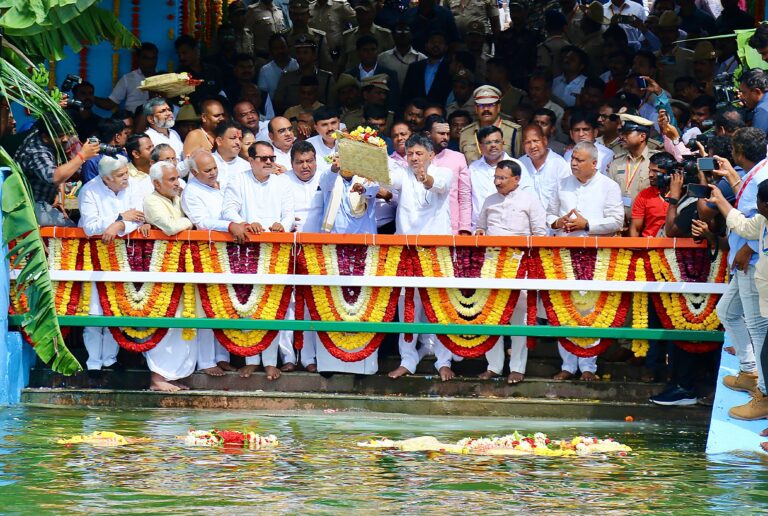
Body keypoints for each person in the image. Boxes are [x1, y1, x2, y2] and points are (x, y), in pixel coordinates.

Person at [547, 142, 624, 381]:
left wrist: (587, 225)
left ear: (594, 163)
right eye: (572, 159)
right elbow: (548, 214)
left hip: (596, 256)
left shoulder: (608, 186)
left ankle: (589, 366)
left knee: (591, 309)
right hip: (565, 254)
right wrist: (558, 223)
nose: (573, 164)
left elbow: (617, 221)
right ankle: (568, 365)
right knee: (565, 308)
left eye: (579, 160)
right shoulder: (562, 184)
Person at [380, 135, 454, 381]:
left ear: (431, 155)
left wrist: (426, 178)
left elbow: (439, 185)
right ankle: (407, 360)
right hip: (407, 252)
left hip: (435, 252)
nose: (414, 158)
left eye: (419, 153)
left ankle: (444, 361)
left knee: (439, 307)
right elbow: (384, 173)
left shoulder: (443, 172)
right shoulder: (402, 174)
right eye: (410, 153)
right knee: (407, 306)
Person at [222, 140, 294, 380]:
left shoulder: (283, 182)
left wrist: (281, 225)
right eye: (263, 158)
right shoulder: (238, 180)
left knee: (273, 305)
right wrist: (244, 223)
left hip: (276, 249)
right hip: (246, 250)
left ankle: (271, 361)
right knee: (248, 303)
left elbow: (289, 215)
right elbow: (228, 210)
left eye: (272, 158)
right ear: (251, 159)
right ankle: (252, 358)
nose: (269, 162)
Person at [710, 128, 768, 405]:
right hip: (744, 257)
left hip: (754, 262)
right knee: (727, 311)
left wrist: (748, 249)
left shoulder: (762, 176)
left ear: (738, 152)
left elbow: (760, 221)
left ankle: (764, 395)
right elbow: (749, 209)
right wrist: (733, 177)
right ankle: (748, 371)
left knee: (757, 327)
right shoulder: (757, 171)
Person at [475, 160, 547, 383]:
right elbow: (481, 227)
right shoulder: (489, 200)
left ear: (516, 179)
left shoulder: (530, 200)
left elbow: (540, 235)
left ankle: (517, 368)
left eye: (502, 178)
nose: (497, 182)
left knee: (519, 320)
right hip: (492, 267)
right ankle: (494, 366)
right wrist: (479, 232)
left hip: (520, 267)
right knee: (492, 319)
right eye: (496, 178)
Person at [78, 155, 150, 375]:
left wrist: (118, 224)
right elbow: (91, 227)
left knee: (113, 308)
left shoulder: (135, 186)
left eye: (126, 172)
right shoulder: (89, 190)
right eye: (120, 176)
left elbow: (138, 216)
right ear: (106, 178)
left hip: (124, 255)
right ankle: (93, 363)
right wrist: (120, 216)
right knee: (93, 311)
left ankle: (109, 360)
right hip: (94, 254)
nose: (126, 178)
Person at [142, 161, 198, 391]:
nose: (177, 183)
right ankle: (157, 378)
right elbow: (170, 227)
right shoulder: (151, 201)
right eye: (172, 179)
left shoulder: (177, 197)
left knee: (181, 322)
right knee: (163, 321)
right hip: (161, 271)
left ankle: (172, 375)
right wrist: (191, 222)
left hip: (182, 269)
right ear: (156, 183)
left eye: (177, 178)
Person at [180, 150, 236, 377]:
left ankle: (222, 357)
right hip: (204, 252)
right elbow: (202, 223)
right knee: (205, 308)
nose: (213, 173)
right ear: (194, 172)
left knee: (223, 305)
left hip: (227, 252)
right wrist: (230, 225)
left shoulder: (222, 184)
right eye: (207, 170)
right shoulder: (191, 192)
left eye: (214, 168)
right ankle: (205, 361)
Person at [14, 117, 100, 226]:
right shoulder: (37, 151)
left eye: (66, 134)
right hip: (30, 205)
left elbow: (58, 173)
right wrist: (82, 156)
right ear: (45, 136)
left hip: (47, 201)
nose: (65, 139)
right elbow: (54, 177)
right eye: (59, 136)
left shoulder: (45, 135)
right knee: (70, 230)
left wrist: (59, 193)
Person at [469, 126, 529, 230]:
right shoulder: (473, 168)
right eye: (488, 143)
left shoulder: (517, 165)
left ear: (503, 143)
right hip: (479, 230)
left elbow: (529, 196)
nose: (493, 145)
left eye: (497, 141)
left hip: (510, 230)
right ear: (480, 146)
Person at [425, 115, 471, 235]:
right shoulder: (417, 158)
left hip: (451, 227)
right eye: (441, 133)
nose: (445, 137)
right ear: (428, 134)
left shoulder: (458, 158)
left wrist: (465, 228)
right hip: (423, 225)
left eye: (447, 134)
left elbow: (464, 195)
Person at [607, 114, 657, 221]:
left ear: (642, 136)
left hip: (646, 223)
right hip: (619, 223)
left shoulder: (655, 161)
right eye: (622, 133)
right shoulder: (616, 162)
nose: (622, 137)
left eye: (627, 133)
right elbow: (608, 194)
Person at [459, 85, 522, 163]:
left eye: (490, 105)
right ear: (476, 109)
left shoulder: (513, 131)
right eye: (481, 105)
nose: (486, 109)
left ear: (498, 107)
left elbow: (519, 161)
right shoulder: (465, 133)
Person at [518, 124, 571, 212]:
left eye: (536, 141)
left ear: (545, 140)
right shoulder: (519, 164)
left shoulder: (559, 164)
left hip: (554, 222)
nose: (532, 146)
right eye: (528, 142)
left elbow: (566, 198)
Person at [95, 42, 158, 113]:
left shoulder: (163, 78)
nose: (151, 62)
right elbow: (109, 104)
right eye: (146, 58)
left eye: (153, 58)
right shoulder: (128, 79)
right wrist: (91, 98)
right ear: (138, 59)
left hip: (158, 121)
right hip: (133, 120)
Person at [401, 31, 453, 108]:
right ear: (426, 45)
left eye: (440, 42)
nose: (436, 45)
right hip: (416, 112)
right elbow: (406, 94)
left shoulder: (450, 68)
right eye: (433, 42)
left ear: (446, 47)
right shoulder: (414, 67)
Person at [628, 152, 673, 237]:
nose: (650, 175)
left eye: (655, 171)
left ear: (668, 172)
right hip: (649, 247)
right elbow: (635, 229)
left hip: (677, 247)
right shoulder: (644, 195)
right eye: (649, 170)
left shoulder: (682, 194)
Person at [563, 111, 615, 176]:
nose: (581, 134)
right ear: (571, 134)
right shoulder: (568, 154)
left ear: (595, 132)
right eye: (577, 130)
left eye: (585, 129)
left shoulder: (607, 155)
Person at [377, 22, 426, 90]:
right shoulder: (382, 58)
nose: (403, 33)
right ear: (393, 35)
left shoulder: (422, 58)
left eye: (406, 30)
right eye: (399, 30)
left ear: (412, 34)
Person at [81, 118, 128, 184]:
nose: (127, 136)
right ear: (117, 137)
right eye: (125, 133)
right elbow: (89, 187)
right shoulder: (92, 161)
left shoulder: (123, 153)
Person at [258, 34, 300, 102]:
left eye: (282, 47)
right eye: (276, 48)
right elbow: (263, 97)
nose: (280, 51)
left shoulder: (298, 65)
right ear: (271, 51)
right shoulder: (264, 70)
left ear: (288, 47)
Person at [306, 106, 340, 174]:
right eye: (324, 125)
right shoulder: (307, 146)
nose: (330, 128)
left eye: (333, 123)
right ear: (316, 127)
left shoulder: (350, 143)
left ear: (339, 123)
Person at [738, 69, 768, 133]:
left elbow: (755, 141)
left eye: (744, 93)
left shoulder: (762, 109)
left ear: (757, 92)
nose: (741, 97)